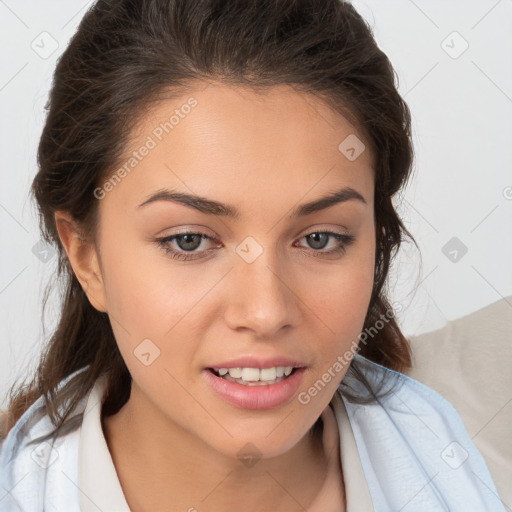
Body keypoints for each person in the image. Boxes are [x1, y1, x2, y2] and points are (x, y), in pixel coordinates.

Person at [0, 1, 505, 510]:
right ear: (86, 258)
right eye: (189, 241)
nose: (265, 312)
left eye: (320, 238)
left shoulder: (480, 455)